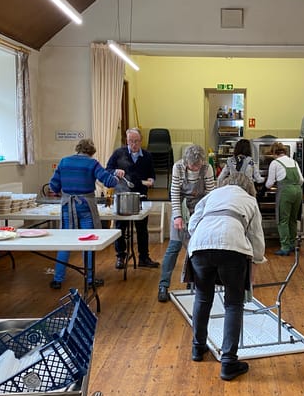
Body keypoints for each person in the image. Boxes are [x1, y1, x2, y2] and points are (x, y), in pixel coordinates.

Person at [187, 171, 266, 381]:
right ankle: (229, 362)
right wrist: (256, 262)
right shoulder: (249, 200)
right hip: (232, 248)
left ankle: (198, 348)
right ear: (248, 186)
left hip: (200, 246)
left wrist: (204, 239)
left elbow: (193, 223)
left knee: (203, 298)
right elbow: (257, 238)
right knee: (233, 304)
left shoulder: (211, 195)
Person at [48, 138, 119, 290]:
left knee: (65, 242)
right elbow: (109, 182)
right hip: (86, 206)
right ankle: (89, 279)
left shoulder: (64, 162)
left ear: (78, 148)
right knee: (88, 242)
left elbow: (53, 186)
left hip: (67, 206)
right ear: (91, 152)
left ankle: (57, 279)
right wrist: (117, 177)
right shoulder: (92, 163)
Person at [157, 145, 215, 302]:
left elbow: (210, 194)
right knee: (173, 247)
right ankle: (163, 285)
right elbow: (175, 193)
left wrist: (206, 217)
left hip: (200, 208)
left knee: (196, 250)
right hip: (180, 207)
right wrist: (177, 217)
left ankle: (193, 284)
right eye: (192, 165)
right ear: (186, 161)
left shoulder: (207, 168)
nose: (195, 167)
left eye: (198, 165)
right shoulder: (178, 167)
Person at [106, 127, 160, 269]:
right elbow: (107, 170)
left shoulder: (147, 156)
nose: (133, 144)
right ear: (126, 141)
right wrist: (115, 171)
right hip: (122, 195)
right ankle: (120, 256)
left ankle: (144, 257)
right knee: (120, 228)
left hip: (140, 195)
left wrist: (151, 181)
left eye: (136, 141)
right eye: (130, 141)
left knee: (142, 228)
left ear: (141, 141)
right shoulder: (119, 153)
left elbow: (152, 175)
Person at [265, 141, 303, 256]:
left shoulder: (275, 163)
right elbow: (301, 180)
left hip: (286, 192)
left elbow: (269, 184)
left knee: (283, 220)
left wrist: (271, 185)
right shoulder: (294, 162)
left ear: (274, 153)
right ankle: (292, 244)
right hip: (298, 191)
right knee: (292, 219)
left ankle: (285, 247)